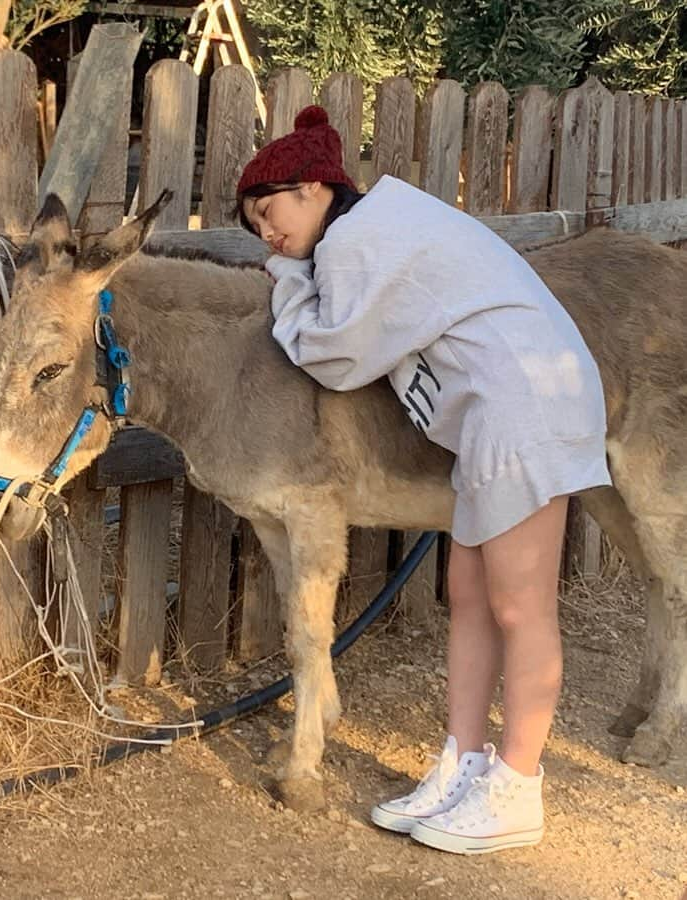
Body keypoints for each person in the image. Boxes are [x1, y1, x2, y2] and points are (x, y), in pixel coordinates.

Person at [236, 106, 611, 855]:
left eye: (269, 213)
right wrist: (295, 266)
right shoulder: (375, 229)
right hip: (494, 414)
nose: (267, 235)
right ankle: (462, 764)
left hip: (522, 406)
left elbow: (333, 352)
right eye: (255, 230)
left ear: (315, 187)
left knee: (519, 606)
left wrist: (285, 277)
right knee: (468, 596)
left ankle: (516, 788)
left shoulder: (362, 240)